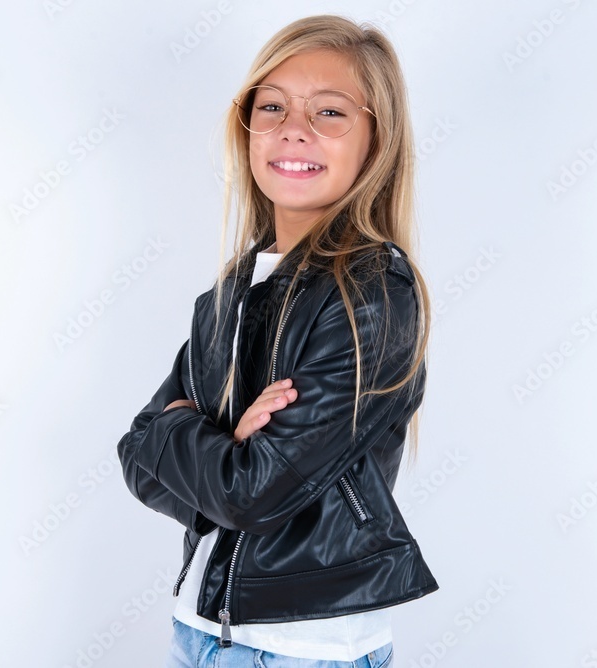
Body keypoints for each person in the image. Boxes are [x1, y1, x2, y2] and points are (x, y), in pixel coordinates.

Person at [116, 14, 438, 667]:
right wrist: (225, 446)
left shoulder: (371, 293)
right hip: (201, 630)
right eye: (273, 106)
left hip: (301, 650)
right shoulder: (232, 289)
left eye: (329, 112)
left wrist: (195, 438)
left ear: (376, 142)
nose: (295, 128)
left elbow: (250, 494)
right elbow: (136, 457)